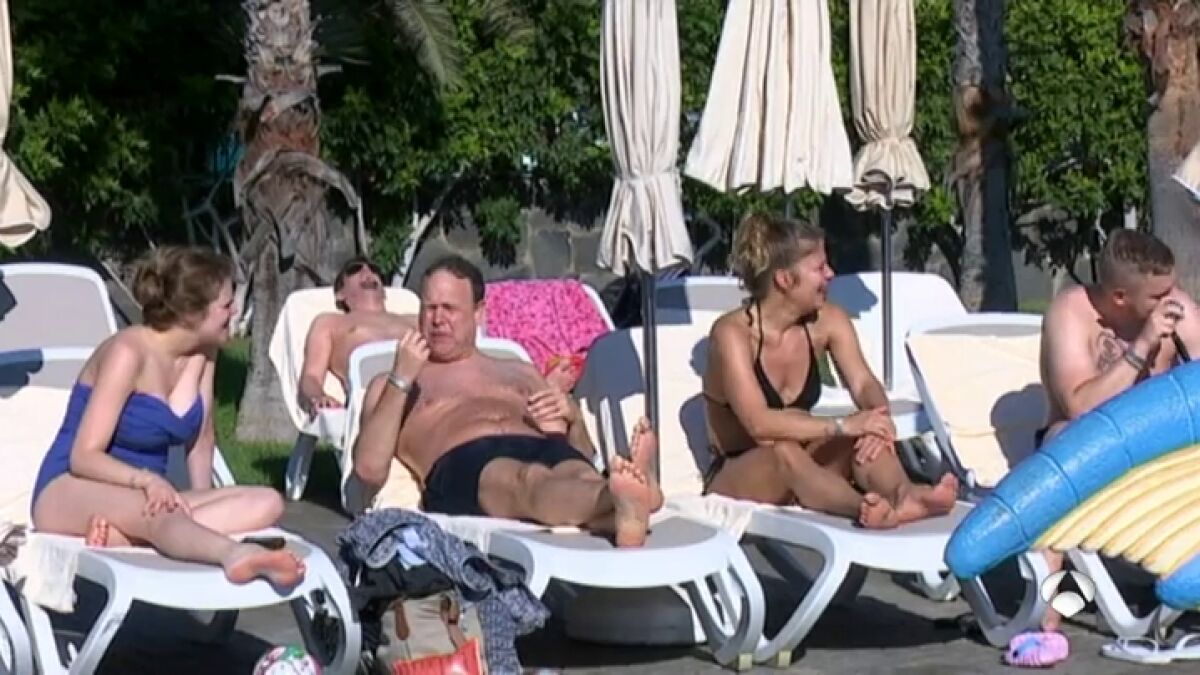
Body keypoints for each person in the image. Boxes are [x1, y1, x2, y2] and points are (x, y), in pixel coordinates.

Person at [31, 246, 304, 588]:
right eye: (226, 305)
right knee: (164, 513)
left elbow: (201, 441)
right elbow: (83, 456)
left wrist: (198, 504)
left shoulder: (204, 354)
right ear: (192, 313)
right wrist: (146, 481)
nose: (235, 311)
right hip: (71, 487)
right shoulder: (127, 354)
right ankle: (234, 555)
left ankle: (128, 537)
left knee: (267, 502)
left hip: (150, 498)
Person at [353, 255, 660, 547]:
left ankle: (623, 508)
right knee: (527, 480)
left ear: (478, 313)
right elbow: (369, 469)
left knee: (578, 473)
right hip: (465, 461)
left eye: (449, 308)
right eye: (429, 307)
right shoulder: (393, 383)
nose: (437, 319)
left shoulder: (520, 370)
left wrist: (574, 418)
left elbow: (584, 455)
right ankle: (620, 497)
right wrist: (401, 378)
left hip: (544, 448)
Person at [701, 213, 958, 529]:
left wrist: (878, 419)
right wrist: (842, 425)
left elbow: (863, 383)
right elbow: (759, 424)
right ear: (785, 279)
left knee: (864, 436)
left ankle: (904, 495)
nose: (831, 274)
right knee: (785, 452)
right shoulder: (732, 334)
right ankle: (862, 508)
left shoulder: (828, 321)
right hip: (740, 471)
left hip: (807, 462)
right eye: (820, 268)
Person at [1036, 228, 1200, 638]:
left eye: (1172, 288)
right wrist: (1142, 346)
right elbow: (1078, 407)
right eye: (1158, 295)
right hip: (1091, 453)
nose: (1172, 299)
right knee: (1062, 441)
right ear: (1121, 297)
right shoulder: (1072, 313)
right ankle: (1045, 614)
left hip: (1164, 453)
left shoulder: (1177, 308)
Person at [298, 257, 417, 416]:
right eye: (354, 269)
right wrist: (318, 398)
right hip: (372, 406)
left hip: (426, 395)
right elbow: (311, 376)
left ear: (384, 292)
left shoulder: (415, 320)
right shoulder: (330, 323)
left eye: (374, 269)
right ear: (340, 294)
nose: (367, 272)